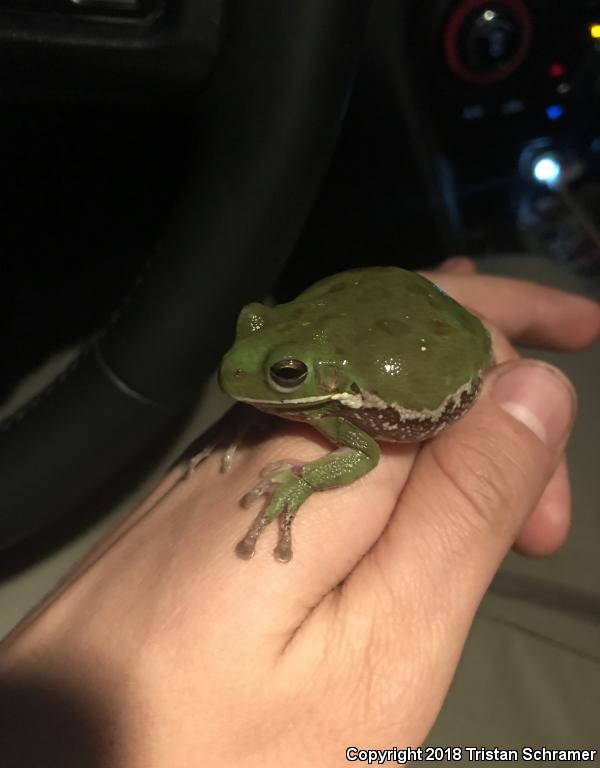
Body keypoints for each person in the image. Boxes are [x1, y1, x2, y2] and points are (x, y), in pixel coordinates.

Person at [0, 257, 598, 767]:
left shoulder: (346, 410)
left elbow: (361, 453)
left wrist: (303, 479)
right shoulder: (299, 376)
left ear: (319, 382)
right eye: (249, 332)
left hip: (449, 363)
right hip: (375, 316)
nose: (233, 363)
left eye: (285, 374)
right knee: (529, 268)